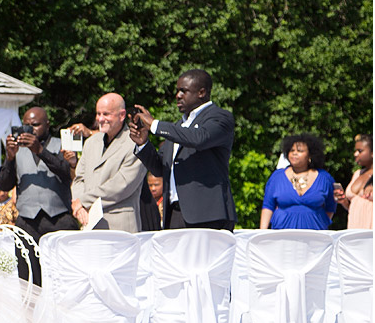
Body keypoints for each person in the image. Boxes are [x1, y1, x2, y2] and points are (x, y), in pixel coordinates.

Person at [130, 69, 236, 231]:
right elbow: (160, 168)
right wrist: (143, 143)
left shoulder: (220, 117)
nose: (177, 95)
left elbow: (199, 138)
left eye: (183, 91)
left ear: (201, 92)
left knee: (205, 257)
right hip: (175, 213)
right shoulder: (179, 127)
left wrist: (155, 125)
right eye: (177, 90)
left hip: (207, 215)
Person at [0, 106, 75, 284]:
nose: (30, 129)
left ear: (47, 124)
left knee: (63, 274)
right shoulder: (16, 150)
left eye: (36, 125)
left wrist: (40, 151)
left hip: (59, 218)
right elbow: (3, 184)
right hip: (27, 220)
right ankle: (31, 311)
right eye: (26, 125)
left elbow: (66, 172)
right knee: (29, 276)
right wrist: (9, 158)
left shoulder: (60, 144)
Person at [70, 93, 145, 233]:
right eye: (98, 114)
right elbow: (79, 178)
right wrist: (78, 204)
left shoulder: (135, 144)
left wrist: (84, 201)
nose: (100, 119)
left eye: (106, 114)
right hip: (88, 222)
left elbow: (120, 186)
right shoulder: (91, 143)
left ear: (122, 115)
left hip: (119, 226)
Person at [260, 134, 336, 230]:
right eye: (292, 151)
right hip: (282, 234)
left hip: (315, 236)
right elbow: (268, 206)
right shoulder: (277, 177)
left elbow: (331, 206)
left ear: (310, 155)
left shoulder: (324, 178)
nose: (294, 153)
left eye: (300, 151)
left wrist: (319, 222)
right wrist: (262, 232)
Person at [335, 134, 373, 229]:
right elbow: (356, 206)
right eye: (355, 151)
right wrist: (344, 201)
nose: (355, 154)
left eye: (360, 151)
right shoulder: (357, 174)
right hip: (354, 229)